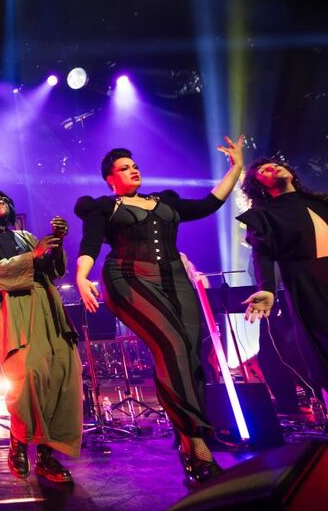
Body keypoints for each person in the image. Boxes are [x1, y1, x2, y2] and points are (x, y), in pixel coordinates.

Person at [73, 136, 244, 486]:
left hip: (176, 279)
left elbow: (210, 204)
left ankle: (186, 436)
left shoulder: (164, 200)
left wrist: (237, 168)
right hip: (128, 276)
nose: (132, 170)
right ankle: (196, 443)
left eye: (134, 165)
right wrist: (81, 275)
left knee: (192, 352)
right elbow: (90, 244)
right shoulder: (104, 207)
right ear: (110, 178)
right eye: (124, 168)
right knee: (173, 345)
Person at [0, 186, 82, 482]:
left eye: (3, 198)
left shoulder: (26, 237)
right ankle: (18, 439)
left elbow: (54, 271)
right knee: (28, 375)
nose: (1, 202)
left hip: (47, 305)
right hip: (15, 311)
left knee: (60, 375)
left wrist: (58, 243)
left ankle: (47, 456)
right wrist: (34, 255)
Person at [237, 158, 328, 401]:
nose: (272, 167)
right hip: (309, 283)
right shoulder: (263, 215)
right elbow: (262, 255)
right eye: (262, 170)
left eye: (275, 164)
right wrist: (267, 289)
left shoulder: (321, 201)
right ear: (258, 185)